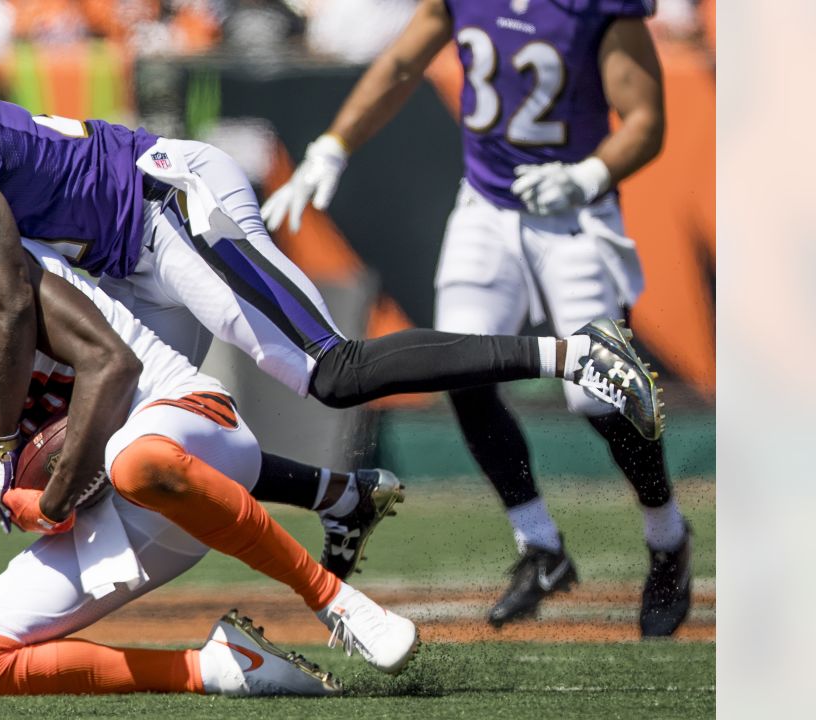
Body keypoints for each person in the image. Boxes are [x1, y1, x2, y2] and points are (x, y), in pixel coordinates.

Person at [0, 29, 665, 547]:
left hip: (160, 206)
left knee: (330, 371)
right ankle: (345, 499)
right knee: (148, 440)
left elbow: (10, 297)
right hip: (111, 263)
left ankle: (578, 349)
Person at [0, 236, 422, 696]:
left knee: (138, 459)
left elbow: (112, 365)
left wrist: (50, 499)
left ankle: (338, 602)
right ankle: (221, 668)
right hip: (106, 502)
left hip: (179, 420)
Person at [261, 0, 690, 636]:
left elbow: (646, 120)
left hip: (574, 214)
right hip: (487, 206)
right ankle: (539, 544)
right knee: (457, 365)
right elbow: (403, 62)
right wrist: (333, 145)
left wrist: (588, 174)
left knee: (600, 396)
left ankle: (666, 537)